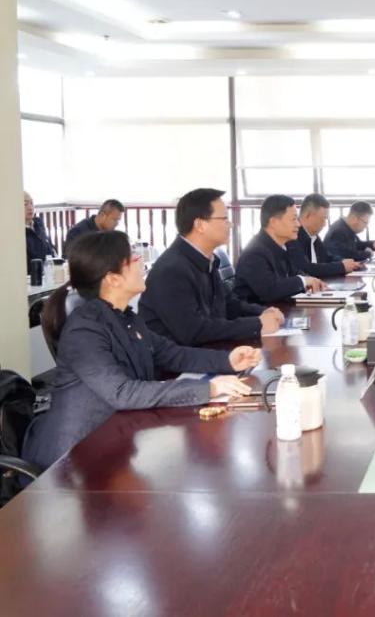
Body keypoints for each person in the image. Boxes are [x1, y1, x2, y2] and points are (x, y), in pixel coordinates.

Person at [22, 231, 259, 469]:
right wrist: (209, 388)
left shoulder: (126, 318)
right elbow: (123, 392)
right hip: (74, 458)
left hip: (116, 440)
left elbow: (173, 354)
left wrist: (228, 360)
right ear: (113, 279)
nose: (141, 262)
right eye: (134, 258)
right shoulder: (84, 331)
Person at [139, 188, 285, 345]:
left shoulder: (205, 259)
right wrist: (257, 324)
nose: (231, 225)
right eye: (224, 219)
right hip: (180, 359)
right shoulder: (171, 270)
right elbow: (194, 331)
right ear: (200, 225)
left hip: (208, 350)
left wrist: (263, 312)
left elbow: (229, 305)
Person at [234, 195, 327, 304]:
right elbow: (270, 289)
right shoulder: (254, 253)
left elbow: (295, 273)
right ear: (274, 222)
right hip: (258, 312)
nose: (298, 224)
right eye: (293, 219)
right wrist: (303, 281)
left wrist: (312, 281)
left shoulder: (283, 245)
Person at [286, 193, 364, 279]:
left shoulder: (314, 236)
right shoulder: (293, 236)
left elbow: (327, 258)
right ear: (308, 215)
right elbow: (306, 268)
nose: (324, 224)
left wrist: (343, 262)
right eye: (323, 218)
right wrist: (341, 266)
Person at [24, 191, 56, 271]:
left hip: (49, 268)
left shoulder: (38, 223)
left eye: (31, 203)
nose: (30, 207)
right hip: (34, 273)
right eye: (25, 204)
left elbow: (49, 247)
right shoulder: (17, 231)